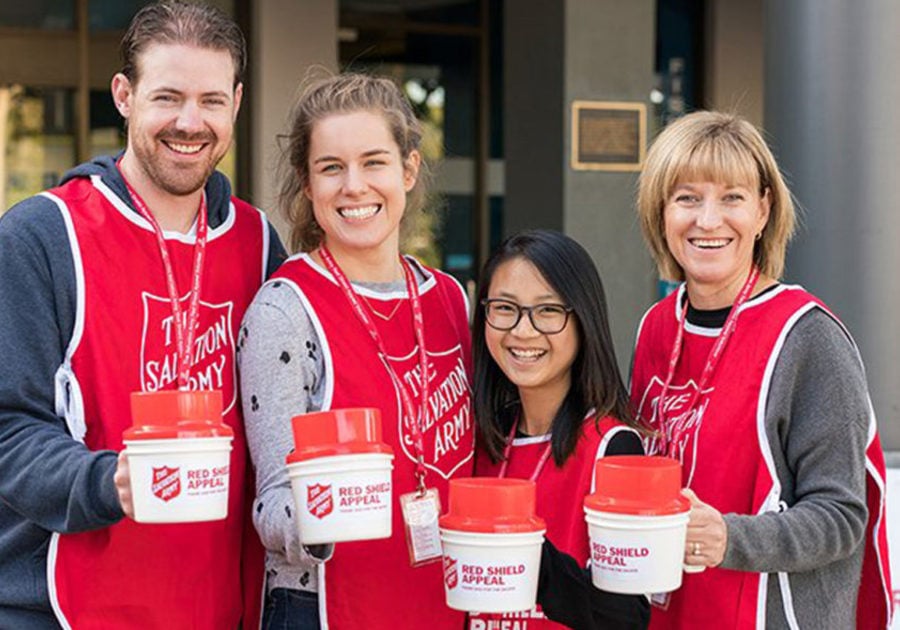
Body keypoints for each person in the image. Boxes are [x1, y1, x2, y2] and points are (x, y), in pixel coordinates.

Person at [0, 2, 286, 627]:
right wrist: (112, 482)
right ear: (124, 96)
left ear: (237, 103)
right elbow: (7, 430)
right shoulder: (42, 235)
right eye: (168, 97)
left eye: (211, 99)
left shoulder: (260, 244)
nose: (190, 121)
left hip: (218, 607)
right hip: (61, 609)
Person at [630, 110, 892, 629]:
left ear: (764, 210)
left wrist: (729, 539)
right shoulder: (657, 327)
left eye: (732, 197)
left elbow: (843, 518)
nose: (708, 220)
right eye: (687, 198)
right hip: (672, 616)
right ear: (661, 212)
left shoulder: (807, 337)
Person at [238, 72, 474, 629]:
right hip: (327, 609)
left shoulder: (449, 300)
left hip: (444, 603)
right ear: (307, 182)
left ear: (408, 170)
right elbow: (270, 504)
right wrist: (329, 513)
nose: (354, 186)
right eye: (331, 168)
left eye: (373, 162)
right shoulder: (284, 310)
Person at [471, 229, 650, 630]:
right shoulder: (480, 440)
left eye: (548, 311)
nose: (522, 331)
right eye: (504, 308)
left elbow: (628, 618)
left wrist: (527, 557)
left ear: (583, 320)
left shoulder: (613, 446)